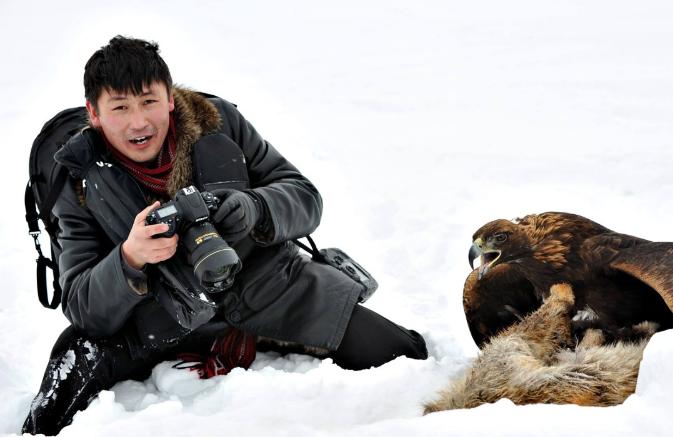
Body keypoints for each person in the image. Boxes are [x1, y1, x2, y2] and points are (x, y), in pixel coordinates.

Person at [23, 36, 428, 435]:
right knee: (59, 394)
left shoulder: (217, 123)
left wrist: (256, 207)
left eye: (148, 101)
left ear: (169, 99)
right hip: (158, 316)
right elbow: (82, 304)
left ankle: (262, 334)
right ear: (94, 114)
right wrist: (130, 257)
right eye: (120, 107)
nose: (139, 122)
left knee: (405, 355)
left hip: (267, 287)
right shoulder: (77, 179)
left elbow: (305, 198)